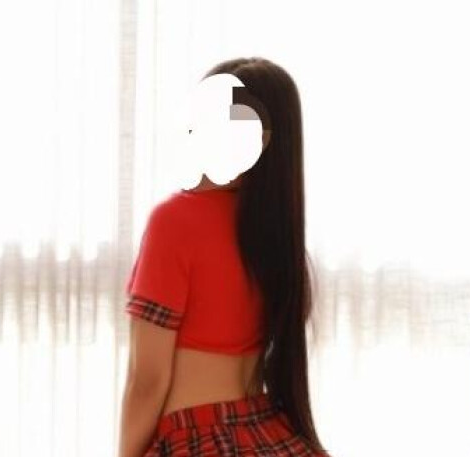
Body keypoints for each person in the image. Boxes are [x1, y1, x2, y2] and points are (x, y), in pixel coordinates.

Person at [118, 56, 332, 457]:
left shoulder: (175, 221)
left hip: (193, 438)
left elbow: (147, 380)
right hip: (271, 433)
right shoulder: (278, 239)